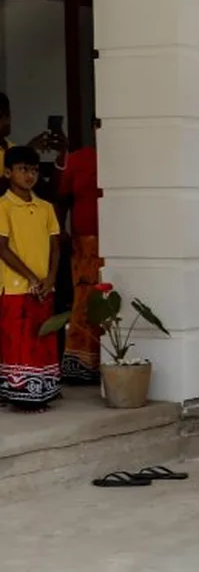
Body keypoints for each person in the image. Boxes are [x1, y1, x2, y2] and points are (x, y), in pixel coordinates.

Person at [0, 146, 62, 412]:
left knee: (42, 338)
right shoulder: (3, 206)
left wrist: (50, 278)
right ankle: (20, 396)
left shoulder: (45, 207)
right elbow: (2, 248)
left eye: (34, 170)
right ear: (8, 172)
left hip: (44, 287)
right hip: (15, 287)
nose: (29, 175)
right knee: (18, 341)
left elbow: (56, 247)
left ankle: (42, 391)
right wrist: (32, 278)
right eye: (23, 169)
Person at [58, 119, 103, 384]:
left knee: (109, 299)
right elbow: (63, 198)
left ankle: (110, 360)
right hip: (85, 244)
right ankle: (81, 364)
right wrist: (60, 231)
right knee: (84, 299)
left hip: (118, 242)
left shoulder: (128, 160)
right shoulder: (79, 159)